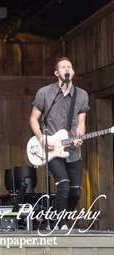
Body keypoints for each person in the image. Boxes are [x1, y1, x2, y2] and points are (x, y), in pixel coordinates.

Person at [29, 57, 89, 230]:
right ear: (57, 73)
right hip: (52, 149)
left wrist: (80, 137)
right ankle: (62, 226)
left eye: (69, 66)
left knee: (76, 191)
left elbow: (81, 122)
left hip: (72, 151)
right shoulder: (45, 93)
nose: (67, 68)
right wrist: (41, 138)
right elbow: (34, 119)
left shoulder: (82, 95)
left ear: (73, 72)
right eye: (63, 67)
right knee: (63, 186)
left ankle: (56, 220)